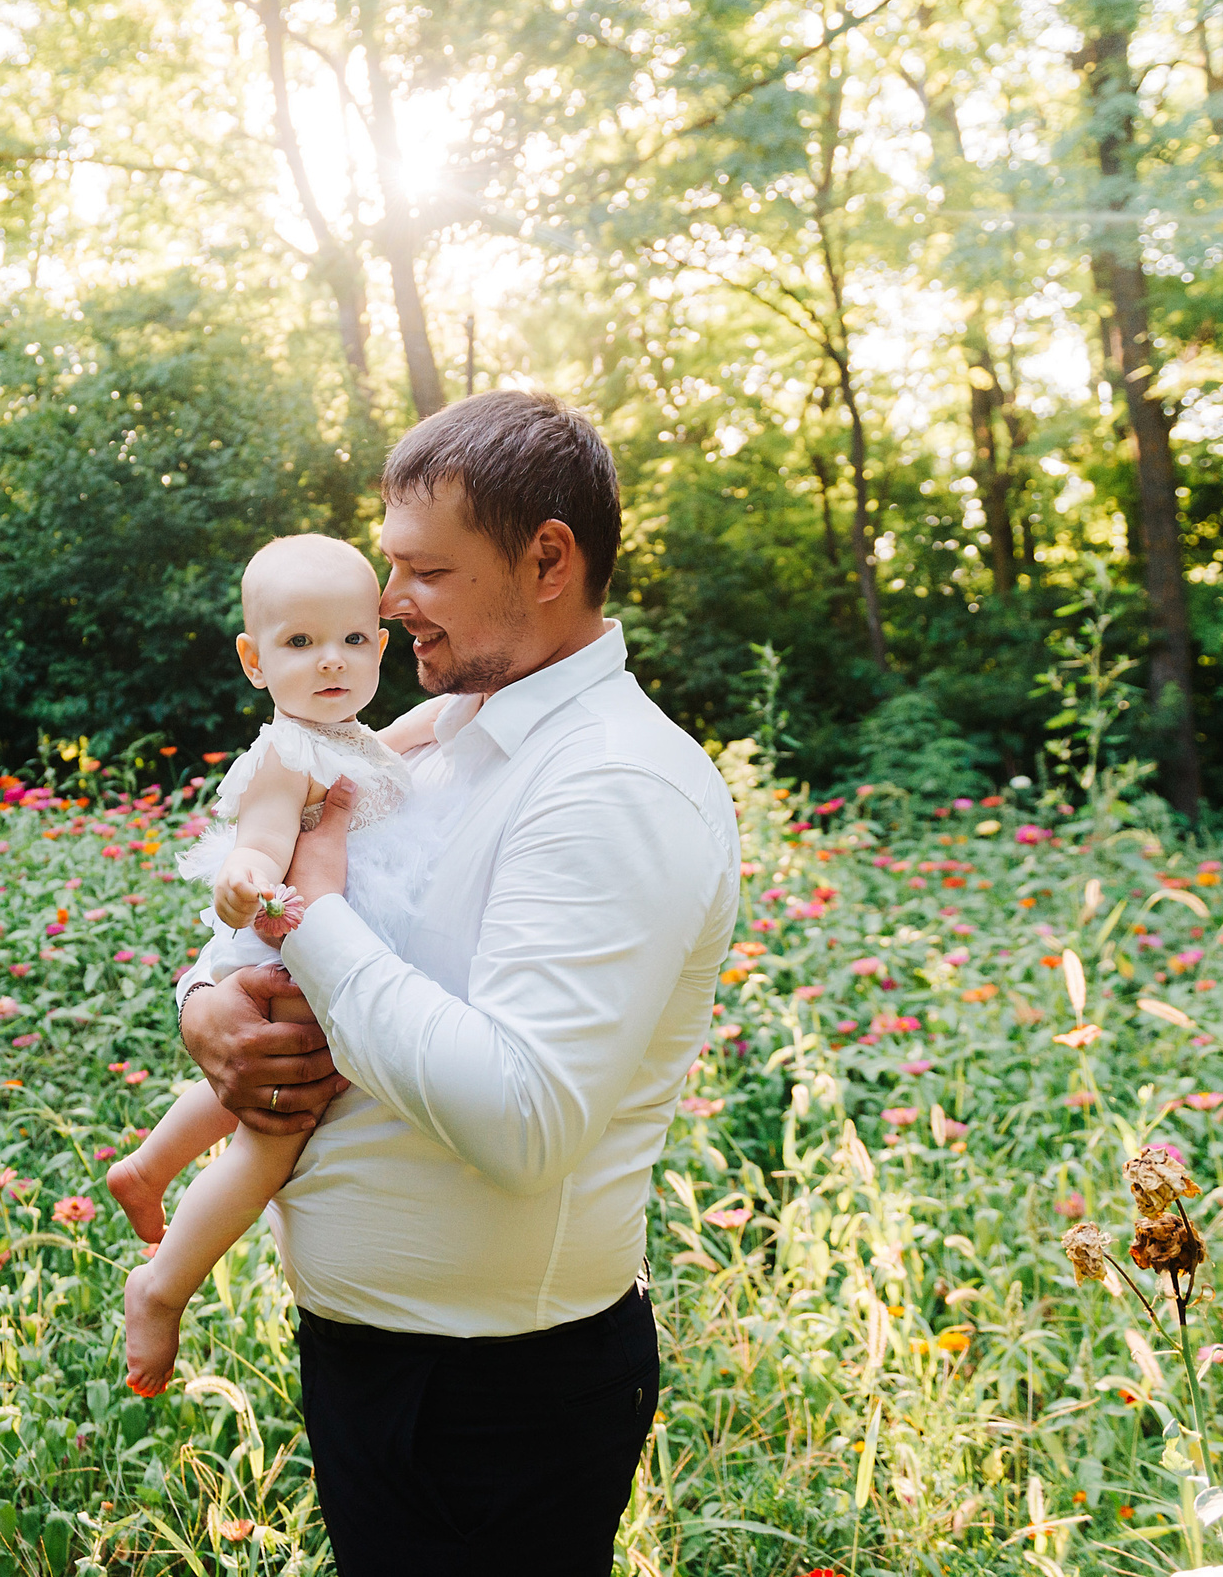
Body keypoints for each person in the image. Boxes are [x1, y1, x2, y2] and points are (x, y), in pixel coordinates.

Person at [170, 388, 741, 1576]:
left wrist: (307, 915)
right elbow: (284, 916)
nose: (387, 601)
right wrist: (209, 1010)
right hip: (385, 1365)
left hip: (496, 1402)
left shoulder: (612, 784)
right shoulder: (436, 742)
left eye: (425, 570)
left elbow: (522, 1119)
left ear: (547, 558)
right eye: (392, 564)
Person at [108, 533, 446, 1394]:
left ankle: (148, 1166)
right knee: (277, 1128)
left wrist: (462, 711)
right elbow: (259, 838)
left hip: (315, 946)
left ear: (380, 646)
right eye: (300, 642)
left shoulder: (350, 739)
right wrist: (247, 879)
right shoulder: (287, 755)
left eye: (353, 638)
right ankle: (162, 1284)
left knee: (267, 1079)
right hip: (285, 941)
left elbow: (404, 737)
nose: (331, 659)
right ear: (254, 661)